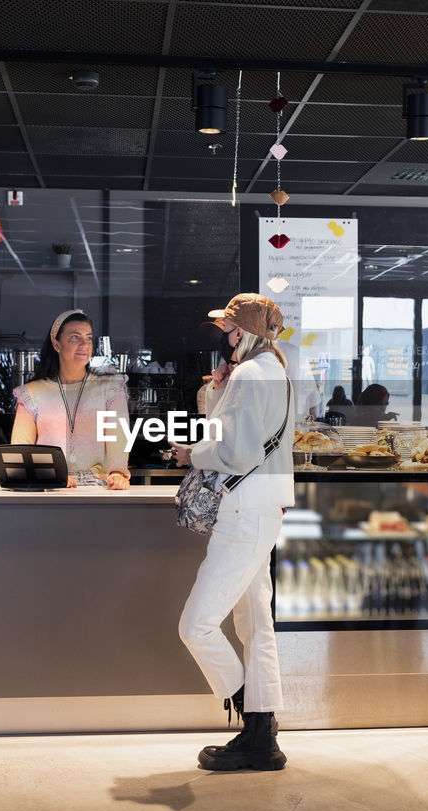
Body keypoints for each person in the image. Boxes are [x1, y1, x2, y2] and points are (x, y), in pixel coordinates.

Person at [171, 293, 294, 772]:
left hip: (243, 513)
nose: (225, 335)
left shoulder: (250, 373)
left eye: (229, 327)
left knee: (196, 625)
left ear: (247, 331)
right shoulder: (273, 371)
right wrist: (218, 390)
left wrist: (191, 456)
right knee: (255, 625)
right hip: (264, 509)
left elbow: (233, 449)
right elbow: (239, 432)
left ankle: (256, 725)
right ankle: (262, 736)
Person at [11, 309, 131, 489]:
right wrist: (48, 473)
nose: (84, 344)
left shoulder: (110, 387)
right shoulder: (32, 392)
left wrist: (117, 473)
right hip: (49, 488)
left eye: (89, 338)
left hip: (99, 488)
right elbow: (20, 451)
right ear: (56, 344)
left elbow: (118, 437)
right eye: (75, 337)